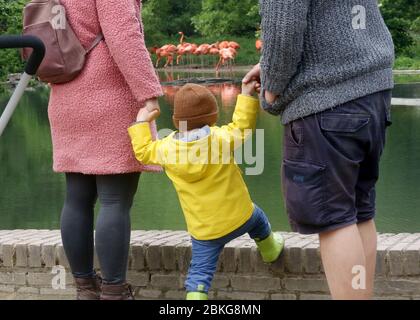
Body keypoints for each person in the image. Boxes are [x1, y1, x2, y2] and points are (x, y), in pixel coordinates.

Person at [243, 0, 394, 299]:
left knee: (335, 219)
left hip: (326, 100)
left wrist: (271, 88)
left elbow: (284, 25)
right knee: (359, 211)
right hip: (372, 91)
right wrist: (272, 65)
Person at [48, 0, 162, 300]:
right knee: (115, 200)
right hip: (108, 97)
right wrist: (148, 92)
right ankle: (114, 291)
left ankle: (85, 289)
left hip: (65, 97)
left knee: (76, 199)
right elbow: (124, 34)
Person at [128, 82, 284, 300]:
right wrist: (247, 95)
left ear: (177, 121)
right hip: (241, 216)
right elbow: (242, 127)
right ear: (212, 117)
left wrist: (141, 122)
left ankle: (196, 295)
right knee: (259, 219)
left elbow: (143, 152)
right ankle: (271, 250)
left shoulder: (166, 149)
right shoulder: (219, 139)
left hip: (204, 232)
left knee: (199, 274)